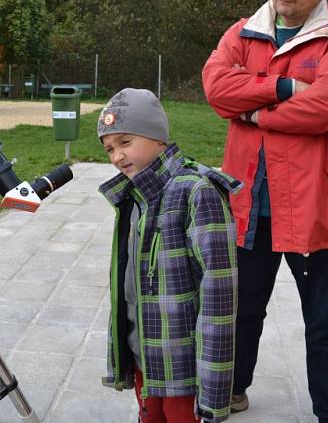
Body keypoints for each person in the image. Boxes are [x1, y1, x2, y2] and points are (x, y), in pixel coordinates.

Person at [201, 0, 328, 423]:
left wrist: (256, 115)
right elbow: (216, 88)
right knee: (238, 311)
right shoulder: (244, 31)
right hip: (248, 205)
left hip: (321, 207)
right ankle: (231, 389)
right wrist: (283, 87)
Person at [97, 88, 241, 423]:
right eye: (109, 149)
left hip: (183, 370)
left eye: (125, 142)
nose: (117, 156)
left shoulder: (197, 193)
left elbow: (219, 300)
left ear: (157, 138)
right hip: (144, 359)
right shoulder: (134, 197)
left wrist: (214, 393)